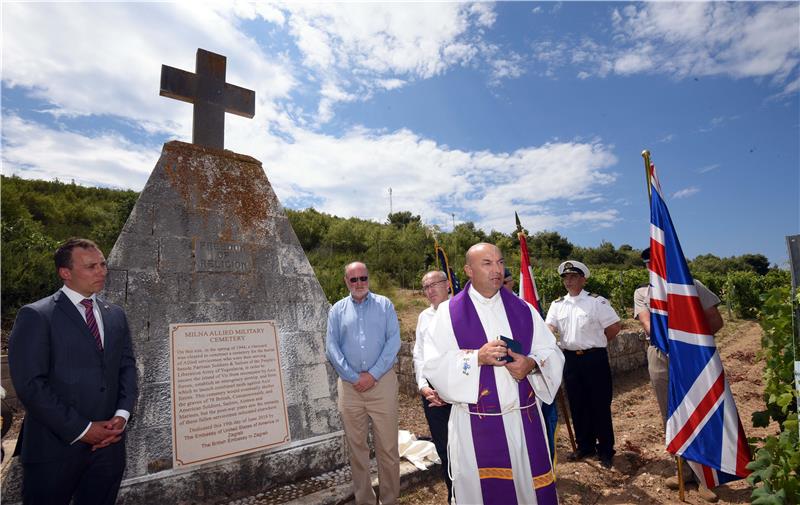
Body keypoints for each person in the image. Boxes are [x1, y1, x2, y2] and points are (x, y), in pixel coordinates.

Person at [423, 243, 563, 505]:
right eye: (487, 263)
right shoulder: (447, 315)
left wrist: (531, 364)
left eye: (499, 262)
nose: (497, 269)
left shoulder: (524, 310)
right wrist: (477, 357)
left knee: (528, 491)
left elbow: (552, 353)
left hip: (524, 421)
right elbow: (434, 365)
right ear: (469, 270)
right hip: (476, 424)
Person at [8, 237, 137, 505]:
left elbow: (126, 367)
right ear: (65, 273)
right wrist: (83, 429)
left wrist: (121, 416)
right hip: (54, 449)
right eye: (91, 266)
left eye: (102, 264)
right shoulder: (36, 315)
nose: (101, 271)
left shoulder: (116, 315)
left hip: (109, 449)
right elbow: (31, 385)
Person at [634, 247, 723, 502]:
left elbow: (716, 321)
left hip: (693, 356)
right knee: (671, 414)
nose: (654, 268)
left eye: (659, 262)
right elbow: (646, 322)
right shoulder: (643, 292)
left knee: (700, 410)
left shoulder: (692, 285)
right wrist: (670, 338)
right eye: (650, 264)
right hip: (660, 355)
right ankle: (684, 471)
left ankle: (707, 475)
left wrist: (690, 341)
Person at [326, 262, 401, 505]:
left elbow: (394, 342)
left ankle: (390, 500)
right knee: (357, 449)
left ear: (369, 278)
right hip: (350, 388)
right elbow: (332, 348)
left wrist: (373, 374)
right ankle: (365, 501)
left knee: (388, 448)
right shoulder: (337, 310)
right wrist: (352, 376)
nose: (359, 283)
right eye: (354, 279)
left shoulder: (385, 305)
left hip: (382, 384)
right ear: (346, 282)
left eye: (363, 278)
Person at [545, 260, 620, 469]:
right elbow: (549, 326)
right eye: (566, 277)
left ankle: (605, 450)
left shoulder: (597, 302)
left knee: (599, 404)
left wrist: (596, 344)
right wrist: (549, 332)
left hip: (594, 359)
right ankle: (585, 445)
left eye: (573, 277)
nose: (568, 281)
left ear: (583, 279)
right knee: (577, 404)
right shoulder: (557, 304)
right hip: (570, 360)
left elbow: (614, 327)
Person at [412, 270, 453, 502]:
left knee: (467, 450)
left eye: (434, 284)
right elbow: (419, 354)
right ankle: (453, 496)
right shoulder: (423, 317)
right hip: (432, 395)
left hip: (458, 396)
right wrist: (422, 386)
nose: (430, 290)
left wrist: (451, 391)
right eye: (425, 287)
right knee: (444, 448)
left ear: (447, 285)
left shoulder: (461, 312)